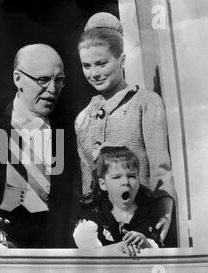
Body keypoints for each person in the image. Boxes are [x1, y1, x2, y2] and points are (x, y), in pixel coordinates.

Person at [74, 12, 176, 245]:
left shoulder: (146, 102)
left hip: (142, 223)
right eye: (86, 66)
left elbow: (161, 169)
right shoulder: (82, 119)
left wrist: (163, 215)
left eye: (101, 63)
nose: (94, 73)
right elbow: (88, 186)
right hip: (105, 231)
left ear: (121, 59)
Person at [0, 44, 75, 248]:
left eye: (58, 80)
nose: (52, 90)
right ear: (18, 79)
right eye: (43, 80)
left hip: (54, 243)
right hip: (0, 242)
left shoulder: (70, 122)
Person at [73, 146, 163, 256]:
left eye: (131, 176)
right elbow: (86, 253)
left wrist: (147, 245)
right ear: (103, 184)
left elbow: (160, 251)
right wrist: (113, 249)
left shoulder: (148, 212)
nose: (125, 182)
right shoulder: (93, 219)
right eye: (116, 177)